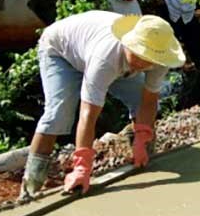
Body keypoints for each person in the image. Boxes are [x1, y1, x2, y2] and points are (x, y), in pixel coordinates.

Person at [19, 12, 184, 200]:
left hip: (106, 57)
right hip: (60, 52)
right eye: (138, 54)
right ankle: (31, 186)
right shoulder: (105, 58)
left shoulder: (159, 59)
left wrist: (142, 136)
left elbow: (148, 100)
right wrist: (82, 165)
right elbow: (88, 115)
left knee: (138, 99)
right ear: (129, 43)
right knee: (58, 113)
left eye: (148, 58)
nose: (141, 62)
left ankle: (142, 155)